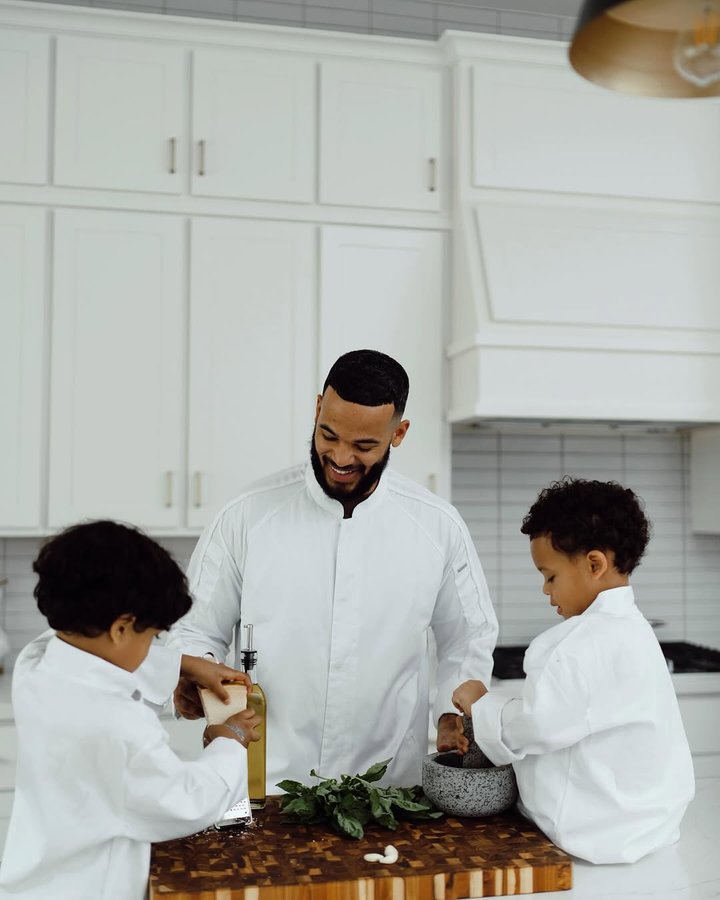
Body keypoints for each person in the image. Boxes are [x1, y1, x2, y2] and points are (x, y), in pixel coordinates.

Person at [168, 349, 498, 788]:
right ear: (317, 408)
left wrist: (449, 714)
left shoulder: (437, 526)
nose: (341, 458)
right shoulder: (245, 517)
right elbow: (195, 631)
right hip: (265, 785)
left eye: (364, 446)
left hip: (390, 790)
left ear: (398, 434)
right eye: (328, 435)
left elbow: (468, 637)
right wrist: (200, 684)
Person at [0, 521, 261, 900]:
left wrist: (183, 665)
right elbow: (183, 803)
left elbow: (87, 650)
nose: (153, 644)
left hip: (34, 881)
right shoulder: (113, 722)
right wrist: (229, 739)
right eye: (152, 635)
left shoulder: (37, 663)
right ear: (122, 628)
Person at [452, 477, 695, 865]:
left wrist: (481, 704)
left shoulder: (579, 645)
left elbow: (536, 724)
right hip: (651, 827)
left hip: (593, 836)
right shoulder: (634, 630)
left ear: (594, 564)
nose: (546, 591)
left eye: (550, 576)